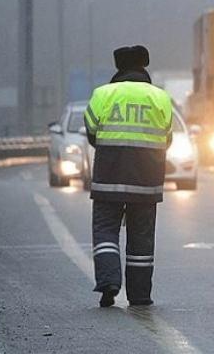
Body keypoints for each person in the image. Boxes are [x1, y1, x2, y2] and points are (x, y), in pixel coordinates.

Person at [84, 45, 173, 307]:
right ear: (144, 67)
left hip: (108, 178)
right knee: (142, 239)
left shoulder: (103, 94)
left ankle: (109, 282)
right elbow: (166, 139)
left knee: (105, 231)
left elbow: (91, 132)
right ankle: (140, 295)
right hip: (147, 182)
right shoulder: (161, 98)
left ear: (118, 68)